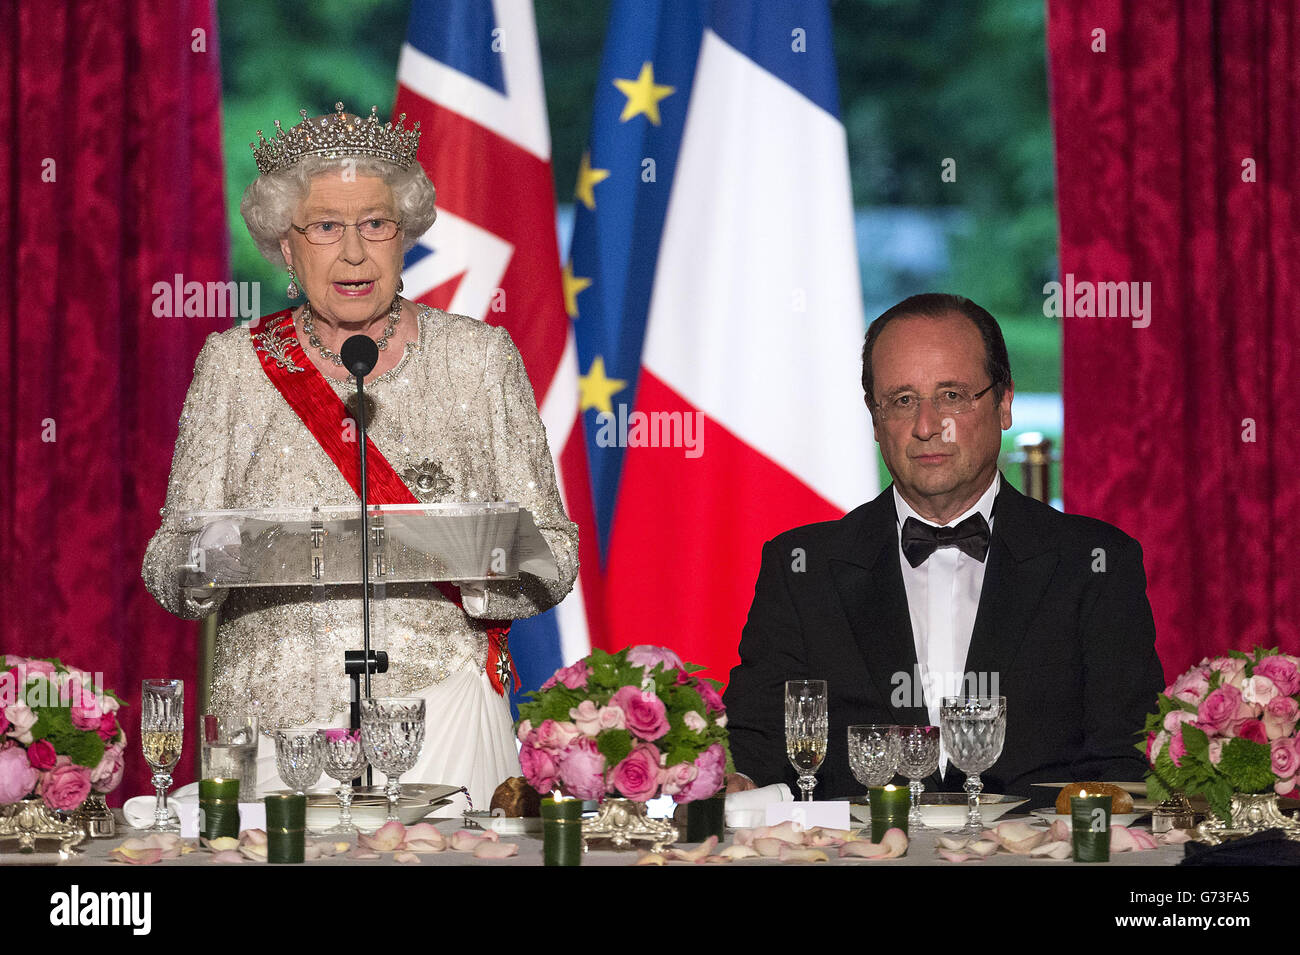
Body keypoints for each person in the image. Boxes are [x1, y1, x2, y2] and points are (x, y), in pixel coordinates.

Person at [142, 104, 578, 809]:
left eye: (375, 224)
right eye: (325, 227)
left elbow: (554, 553)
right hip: (280, 731)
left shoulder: (480, 358)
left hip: (444, 715)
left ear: (403, 235)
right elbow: (167, 564)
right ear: (287, 245)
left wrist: (477, 560)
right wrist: (212, 556)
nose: (353, 252)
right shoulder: (233, 367)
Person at [723, 293, 1163, 807]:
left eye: (952, 395)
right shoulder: (801, 567)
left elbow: (1124, 756)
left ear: (1004, 404)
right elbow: (759, 748)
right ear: (874, 418)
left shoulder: (1095, 563)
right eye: (903, 400)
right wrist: (736, 783)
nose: (928, 425)